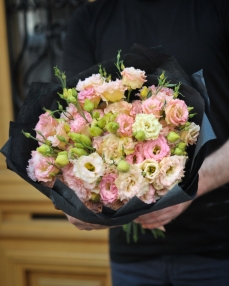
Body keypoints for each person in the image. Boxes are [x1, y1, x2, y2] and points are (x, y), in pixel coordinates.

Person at [62, 0, 229, 285]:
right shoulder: (90, 19)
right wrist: (75, 194)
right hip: (131, 256)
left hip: (218, 248)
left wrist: (189, 188)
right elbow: (72, 127)